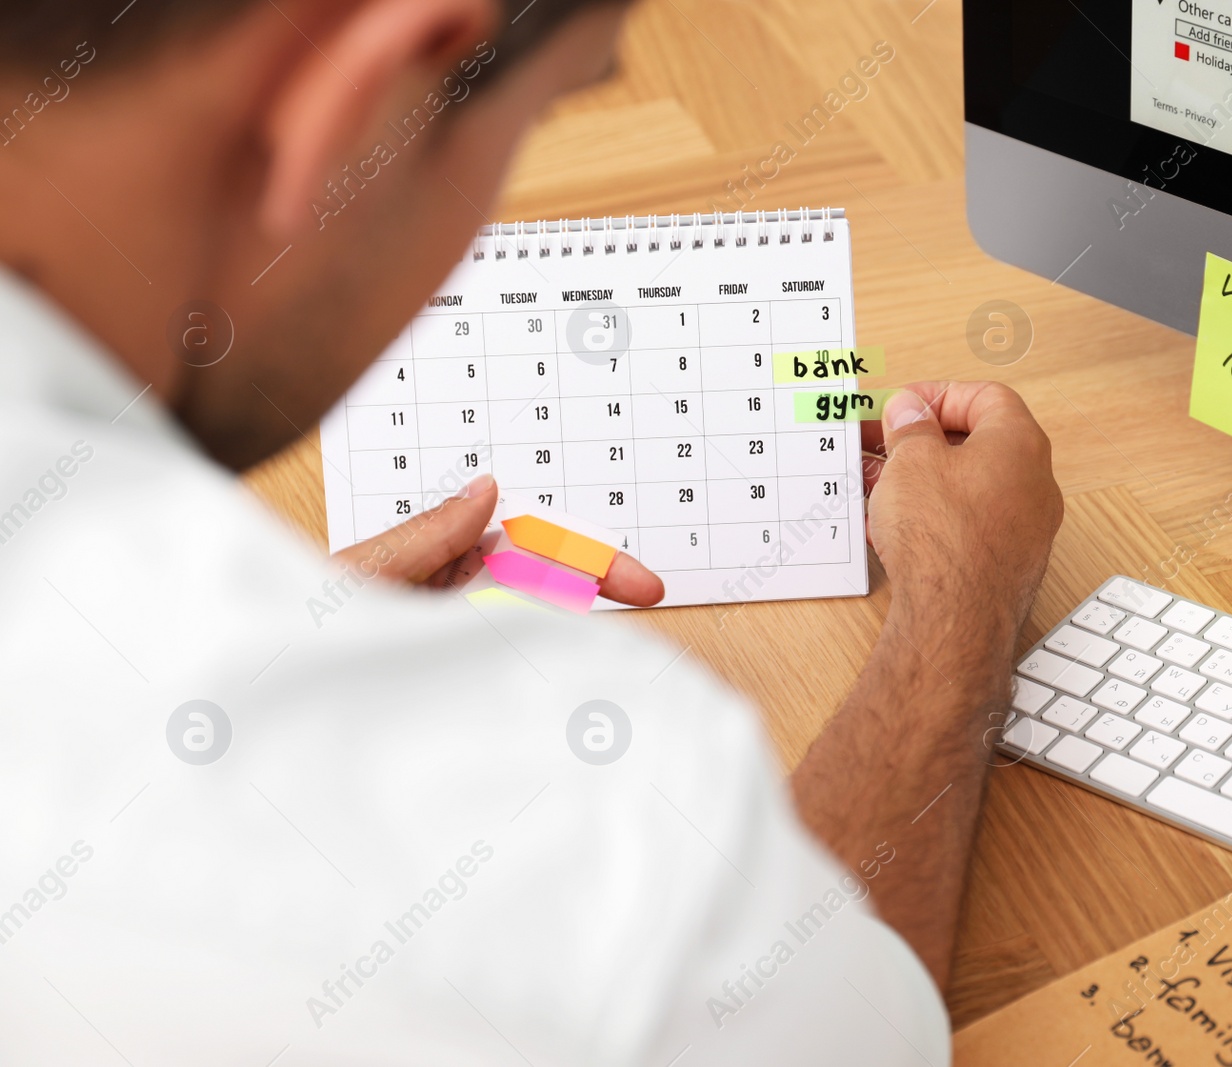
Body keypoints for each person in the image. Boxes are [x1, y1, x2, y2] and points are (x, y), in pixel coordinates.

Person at [0, 1, 1063, 1063]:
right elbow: (847, 1025)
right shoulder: (586, 852)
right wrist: (961, 600)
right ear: (359, 93)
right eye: (546, 109)